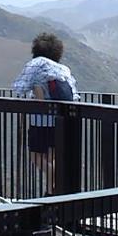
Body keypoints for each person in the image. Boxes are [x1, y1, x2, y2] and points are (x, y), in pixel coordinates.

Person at [12, 32, 80, 196]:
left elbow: (19, 88)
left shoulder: (35, 64)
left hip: (40, 121)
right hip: (61, 121)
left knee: (37, 158)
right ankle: (51, 191)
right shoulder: (63, 69)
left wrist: (35, 89)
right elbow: (75, 95)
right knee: (51, 158)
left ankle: (57, 183)